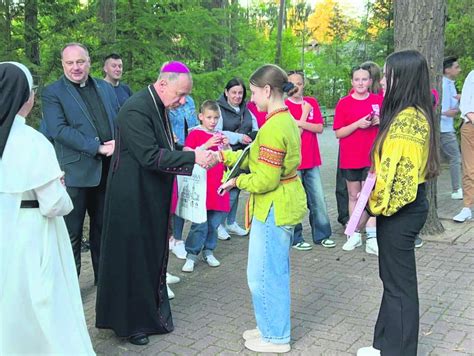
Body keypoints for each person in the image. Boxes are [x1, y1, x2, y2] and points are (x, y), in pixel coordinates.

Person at [95, 61, 215, 346]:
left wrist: (192, 150)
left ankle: (147, 316)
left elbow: (163, 147)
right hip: (132, 198)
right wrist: (194, 159)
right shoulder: (136, 109)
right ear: (163, 84)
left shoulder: (157, 105)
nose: (183, 101)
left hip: (147, 194)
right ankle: (130, 324)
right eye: (181, 94)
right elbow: (149, 156)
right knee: (133, 259)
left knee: (147, 254)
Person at [0, 62, 94, 355]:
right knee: (44, 301)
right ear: (23, 97)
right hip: (33, 233)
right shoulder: (33, 143)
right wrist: (62, 188)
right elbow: (54, 204)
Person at [217, 64, 307, 353]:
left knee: (265, 274)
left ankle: (276, 337)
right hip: (279, 203)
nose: (251, 99)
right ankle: (268, 326)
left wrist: (236, 181)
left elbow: (266, 179)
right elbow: (257, 158)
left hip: (273, 207)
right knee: (269, 271)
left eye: (254, 92)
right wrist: (226, 156)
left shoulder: (272, 126)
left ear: (268, 90)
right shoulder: (283, 119)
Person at [357, 50, 440, 356]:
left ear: (402, 78)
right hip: (403, 208)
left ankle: (400, 351)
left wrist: (369, 210)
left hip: (401, 210)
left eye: (387, 75)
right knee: (392, 280)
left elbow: (397, 185)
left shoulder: (408, 122)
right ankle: (384, 344)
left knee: (400, 286)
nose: (382, 81)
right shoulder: (411, 113)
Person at [41, 42, 119, 284]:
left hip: (106, 172)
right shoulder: (53, 92)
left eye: (80, 61)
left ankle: (104, 282)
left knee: (103, 230)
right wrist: (97, 146)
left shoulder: (105, 88)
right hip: (74, 173)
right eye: (70, 62)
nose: (76, 67)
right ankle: (70, 286)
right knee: (71, 234)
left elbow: (116, 117)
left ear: (89, 62)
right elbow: (58, 130)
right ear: (63, 64)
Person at [333, 66, 383, 255]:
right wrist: (357, 124)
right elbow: (339, 132)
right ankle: (354, 234)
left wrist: (380, 121)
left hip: (372, 156)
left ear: (370, 81)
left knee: (369, 196)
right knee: (354, 196)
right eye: (357, 80)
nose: (361, 83)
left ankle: (372, 236)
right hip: (350, 157)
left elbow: (389, 126)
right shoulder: (344, 103)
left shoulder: (378, 101)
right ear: (352, 82)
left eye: (364, 79)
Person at [285, 70, 334, 251]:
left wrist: (300, 121)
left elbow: (320, 128)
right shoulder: (284, 106)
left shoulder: (311, 102)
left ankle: (322, 235)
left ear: (303, 84)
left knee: (318, 199)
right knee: (296, 200)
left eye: (299, 83)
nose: (296, 87)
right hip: (294, 163)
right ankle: (296, 237)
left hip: (312, 160)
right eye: (291, 83)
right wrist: (304, 117)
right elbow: (294, 136)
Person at [181, 100, 231, 272]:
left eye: (216, 117)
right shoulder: (195, 134)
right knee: (199, 222)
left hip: (218, 184)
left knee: (214, 221)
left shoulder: (219, 134)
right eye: (209, 117)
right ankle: (191, 254)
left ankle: (209, 250)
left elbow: (228, 157)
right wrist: (206, 145)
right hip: (201, 185)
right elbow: (187, 154)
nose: (213, 121)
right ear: (201, 116)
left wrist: (225, 146)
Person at [216, 78, 256, 240]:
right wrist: (239, 137)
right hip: (226, 155)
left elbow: (255, 127)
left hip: (243, 155)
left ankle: (231, 222)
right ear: (226, 92)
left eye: (240, 93)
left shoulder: (246, 110)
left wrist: (253, 137)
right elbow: (216, 132)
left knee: (237, 190)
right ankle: (218, 223)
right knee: (227, 191)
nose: (237, 96)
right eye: (234, 92)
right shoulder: (218, 109)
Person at [168, 95, 199, 259]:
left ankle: (177, 238)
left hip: (189, 150)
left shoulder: (190, 101)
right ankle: (173, 238)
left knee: (185, 196)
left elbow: (193, 125)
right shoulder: (166, 103)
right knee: (174, 197)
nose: (182, 99)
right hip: (173, 153)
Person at [441, 56, 463, 200]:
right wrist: (448, 112)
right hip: (443, 128)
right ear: (447, 70)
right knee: (455, 157)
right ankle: (456, 189)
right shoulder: (443, 84)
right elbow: (441, 108)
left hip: (446, 127)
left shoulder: (450, 84)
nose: (459, 70)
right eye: (456, 67)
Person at [453, 70, 474, 222]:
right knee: (469, 168)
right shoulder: (472, 75)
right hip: (471, 126)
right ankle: (467, 207)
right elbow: (465, 103)